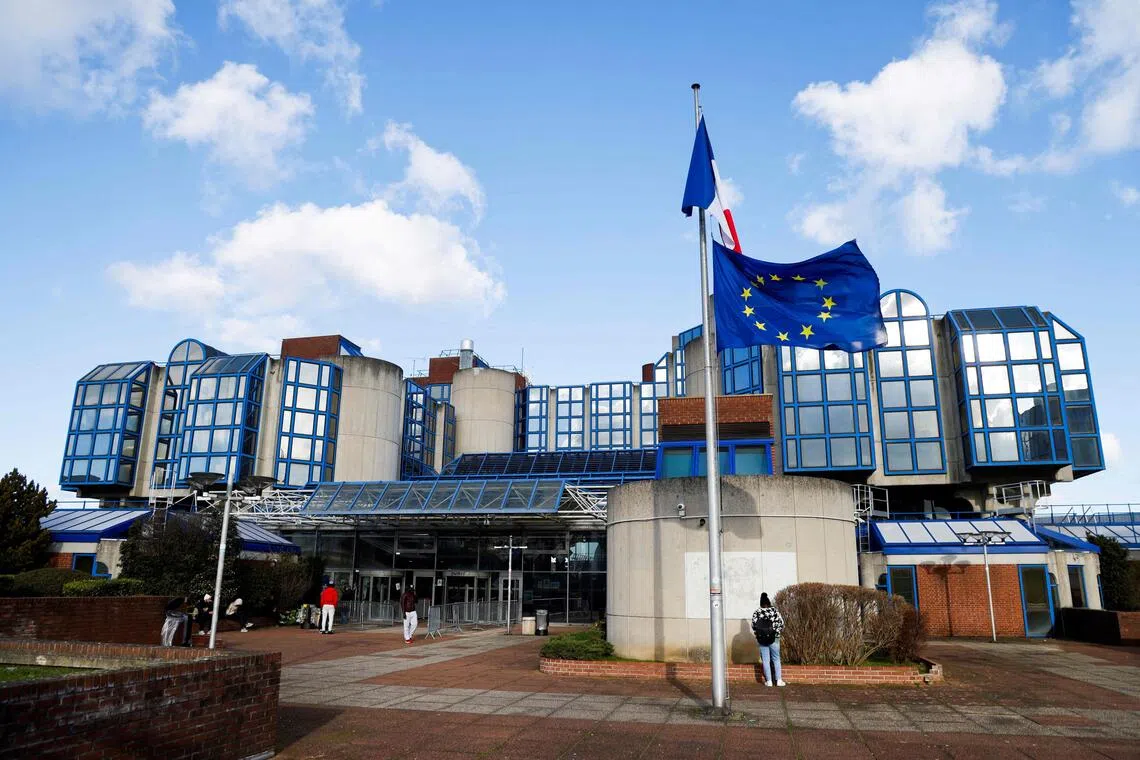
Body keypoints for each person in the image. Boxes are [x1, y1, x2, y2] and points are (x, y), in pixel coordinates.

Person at [751, 592, 786, 687]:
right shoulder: (774, 611)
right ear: (769, 601)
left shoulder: (757, 612)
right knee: (776, 658)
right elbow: (782, 624)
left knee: (766, 660)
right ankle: (779, 680)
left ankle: (769, 681)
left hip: (762, 639)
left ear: (761, 603)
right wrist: (775, 631)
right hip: (774, 638)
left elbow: (754, 626)